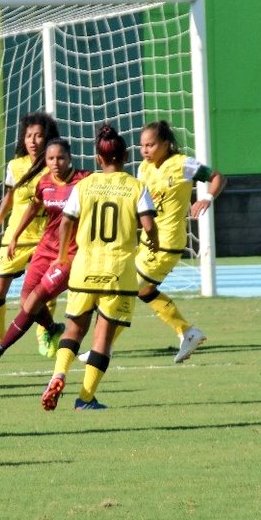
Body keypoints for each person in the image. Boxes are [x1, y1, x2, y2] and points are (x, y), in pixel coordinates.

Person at [80, 120, 226, 364]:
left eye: (151, 145)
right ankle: (186, 331)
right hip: (147, 242)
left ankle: (103, 348)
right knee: (144, 291)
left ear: (166, 144)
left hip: (166, 243)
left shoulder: (182, 165)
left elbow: (217, 176)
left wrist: (207, 198)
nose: (145, 150)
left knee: (127, 290)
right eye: (142, 145)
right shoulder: (144, 170)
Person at [39, 124, 158, 411]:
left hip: (83, 268)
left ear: (98, 158)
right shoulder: (135, 186)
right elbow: (149, 224)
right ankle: (86, 398)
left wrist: (62, 256)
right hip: (116, 274)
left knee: (72, 331)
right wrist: (151, 242)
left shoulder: (85, 184)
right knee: (102, 338)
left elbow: (67, 221)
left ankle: (59, 373)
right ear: (126, 156)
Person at [0, 138, 88, 362]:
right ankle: (52, 328)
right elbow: (33, 207)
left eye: (61, 158)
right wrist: (15, 236)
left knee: (34, 301)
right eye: (51, 158)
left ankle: (0, 348)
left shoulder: (85, 180)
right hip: (45, 248)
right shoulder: (44, 182)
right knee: (24, 300)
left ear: (70, 158)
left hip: (68, 254)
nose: (56, 162)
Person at [0, 112, 60, 363]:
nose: (33, 140)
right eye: (28, 136)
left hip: (44, 239)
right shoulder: (15, 165)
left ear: (47, 139)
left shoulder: (54, 165)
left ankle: (45, 332)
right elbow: (10, 198)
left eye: (38, 136)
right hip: (14, 237)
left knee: (42, 292)